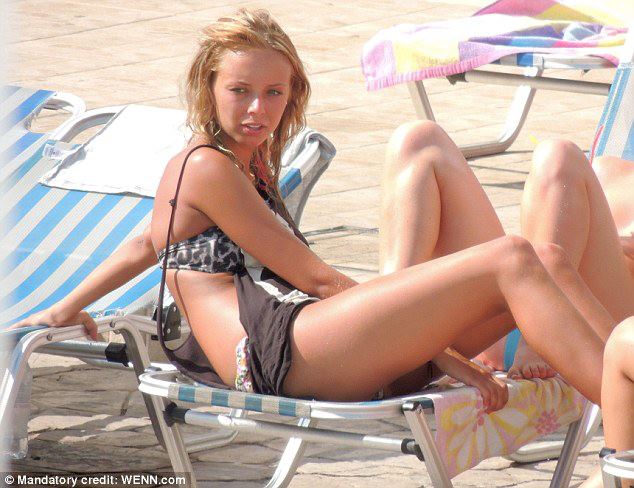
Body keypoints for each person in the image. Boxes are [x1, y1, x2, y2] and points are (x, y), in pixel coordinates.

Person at [12, 9, 617, 411]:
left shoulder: (245, 164)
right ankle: (625, 426)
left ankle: (620, 389)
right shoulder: (206, 167)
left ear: (292, 94)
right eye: (239, 91)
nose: (258, 109)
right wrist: (449, 359)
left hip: (316, 347)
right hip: (278, 354)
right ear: (208, 88)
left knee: (539, 263)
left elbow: (147, 242)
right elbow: (319, 280)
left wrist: (66, 306)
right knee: (512, 257)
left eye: (273, 93)